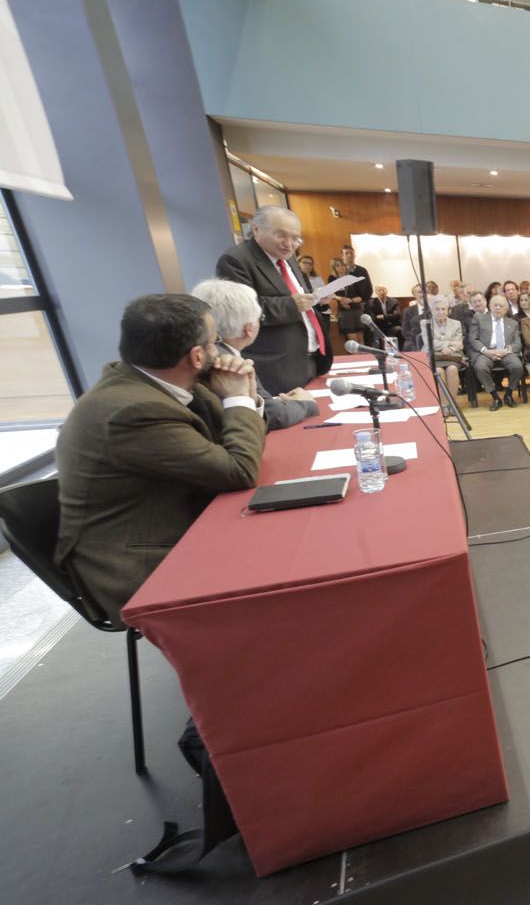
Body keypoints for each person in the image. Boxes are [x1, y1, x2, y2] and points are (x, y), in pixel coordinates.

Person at [54, 294, 266, 627]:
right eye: (214, 343)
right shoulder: (132, 411)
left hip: (173, 517)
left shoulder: (157, 382)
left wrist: (243, 395)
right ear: (197, 356)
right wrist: (238, 398)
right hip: (136, 564)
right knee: (280, 564)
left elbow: (234, 444)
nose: (219, 351)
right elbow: (238, 469)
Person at [214, 207, 329, 394]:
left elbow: (297, 296)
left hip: (308, 360)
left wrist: (315, 298)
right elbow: (242, 312)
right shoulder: (236, 260)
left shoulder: (289, 260)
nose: (289, 244)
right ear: (256, 229)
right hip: (276, 367)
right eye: (281, 235)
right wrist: (293, 305)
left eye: (296, 238)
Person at [189, 279, 319, 430]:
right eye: (260, 319)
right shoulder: (229, 362)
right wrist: (304, 404)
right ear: (248, 329)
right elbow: (273, 416)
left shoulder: (200, 353)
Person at [467, 295, 525, 411]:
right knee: (480, 367)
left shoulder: (513, 323)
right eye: (495, 305)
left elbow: (517, 343)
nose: (498, 308)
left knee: (518, 367)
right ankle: (495, 397)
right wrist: (486, 351)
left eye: (501, 306)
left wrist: (506, 351)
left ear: (506, 309)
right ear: (490, 306)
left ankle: (508, 394)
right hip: (486, 352)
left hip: (506, 352)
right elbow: (473, 339)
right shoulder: (479, 319)